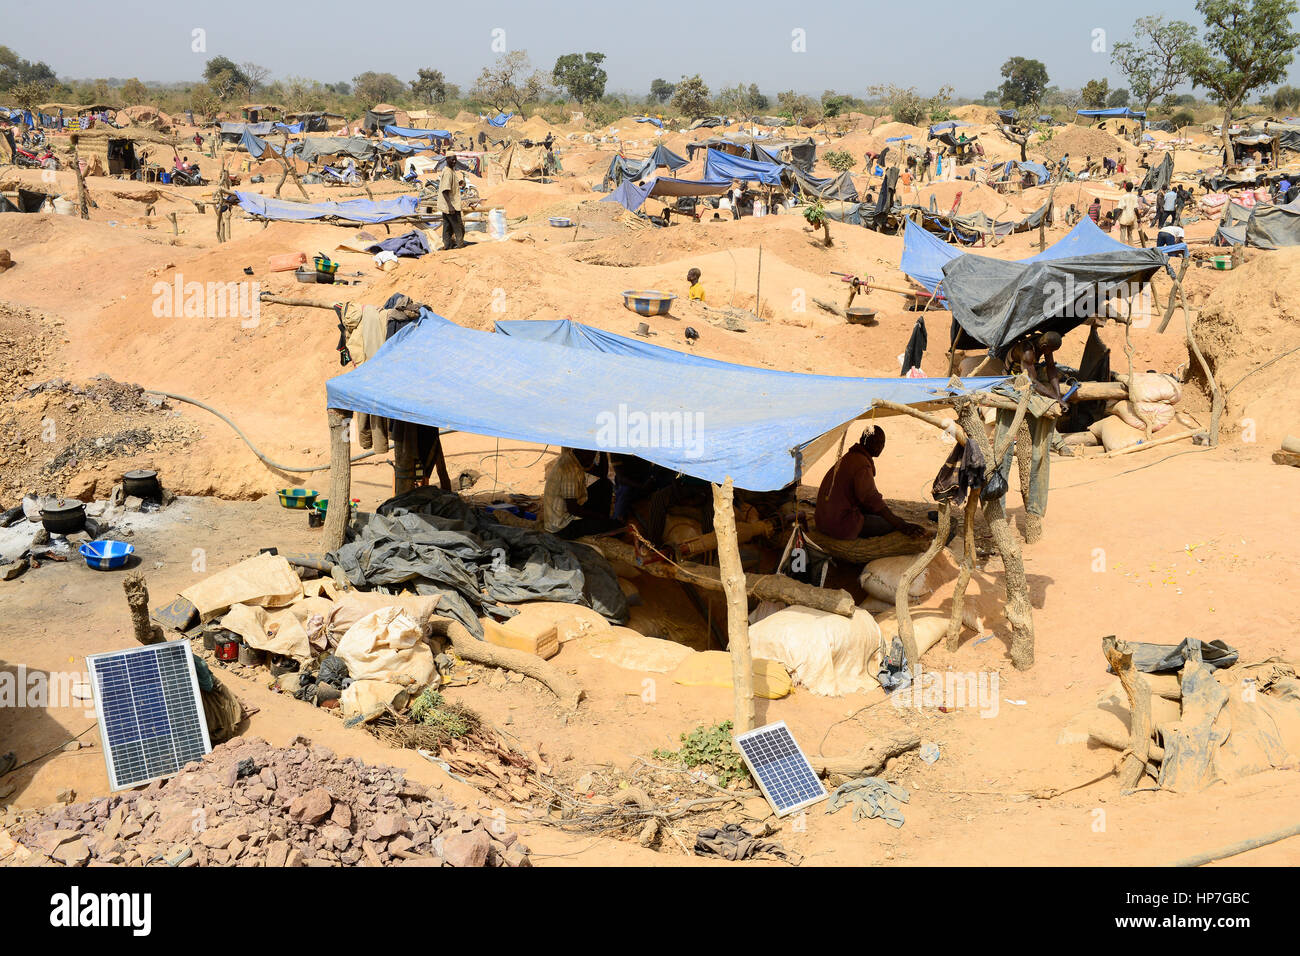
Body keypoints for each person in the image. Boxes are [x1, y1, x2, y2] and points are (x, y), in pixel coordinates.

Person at [993, 333, 1066, 543]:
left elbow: (1051, 370)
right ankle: (998, 515)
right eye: (1048, 351)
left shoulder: (1044, 346)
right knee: (1003, 452)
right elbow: (1032, 382)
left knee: (1035, 455)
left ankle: (1033, 517)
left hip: (1027, 383)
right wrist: (1056, 398)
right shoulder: (1026, 350)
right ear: (1042, 345)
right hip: (1010, 385)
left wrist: (1058, 395)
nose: (1049, 355)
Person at [815, 426, 925, 540]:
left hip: (823, 519)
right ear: (863, 441)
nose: (880, 446)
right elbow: (871, 499)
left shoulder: (851, 458)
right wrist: (900, 524)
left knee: (885, 517)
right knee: (889, 525)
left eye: (882, 443)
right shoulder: (861, 464)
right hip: (838, 523)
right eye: (875, 442)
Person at [541, 447, 617, 539]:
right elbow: (573, 509)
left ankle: (602, 520)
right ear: (583, 453)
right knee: (614, 526)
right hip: (562, 526)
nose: (592, 459)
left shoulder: (574, 456)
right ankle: (603, 522)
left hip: (570, 509)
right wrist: (598, 516)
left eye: (594, 454)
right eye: (591, 455)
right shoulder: (570, 471)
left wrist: (602, 450)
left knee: (605, 484)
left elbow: (602, 473)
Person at [438, 154, 466, 250]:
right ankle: (460, 245)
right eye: (452, 160)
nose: (454, 162)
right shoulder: (448, 172)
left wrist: (458, 184)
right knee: (459, 227)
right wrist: (450, 206)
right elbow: (445, 190)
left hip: (447, 205)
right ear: (447, 159)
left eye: (455, 160)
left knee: (447, 227)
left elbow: (449, 186)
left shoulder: (450, 170)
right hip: (451, 205)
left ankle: (447, 245)